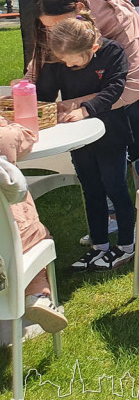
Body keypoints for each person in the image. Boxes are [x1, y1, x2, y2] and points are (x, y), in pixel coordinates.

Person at [29, 0, 139, 244]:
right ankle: (112, 217)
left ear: (79, 9)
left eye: (58, 26)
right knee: (98, 146)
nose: (53, 33)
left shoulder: (117, 18)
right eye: (48, 28)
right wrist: (26, 89)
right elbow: (40, 65)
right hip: (98, 74)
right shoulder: (57, 28)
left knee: (134, 141)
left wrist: (75, 105)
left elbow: (133, 85)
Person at [35, 16, 137, 271]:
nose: (67, 65)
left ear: (92, 49)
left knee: (115, 187)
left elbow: (115, 89)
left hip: (111, 133)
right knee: (91, 189)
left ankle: (127, 245)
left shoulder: (113, 52)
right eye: (63, 61)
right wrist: (35, 106)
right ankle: (99, 245)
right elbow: (44, 93)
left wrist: (86, 109)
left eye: (73, 61)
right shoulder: (60, 59)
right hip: (78, 137)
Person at [1, 117, 68, 333]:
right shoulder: (4, 137)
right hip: (10, 244)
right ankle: (37, 295)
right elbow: (26, 138)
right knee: (37, 236)